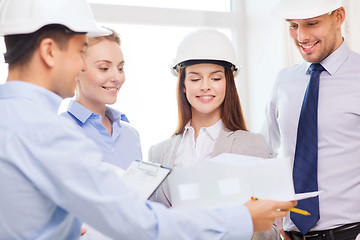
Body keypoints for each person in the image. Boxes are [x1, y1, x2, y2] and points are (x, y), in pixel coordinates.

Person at [0, 0, 297, 239]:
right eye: (80, 52)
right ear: (49, 51)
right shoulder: (48, 131)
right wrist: (242, 217)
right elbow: (139, 222)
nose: (82, 64)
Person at [148, 29, 281, 240]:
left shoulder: (252, 146)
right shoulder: (158, 153)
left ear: (228, 83)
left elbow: (272, 233)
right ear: (183, 85)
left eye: (216, 78)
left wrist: (238, 218)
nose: (205, 87)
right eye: (195, 79)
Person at [264, 0, 360, 239]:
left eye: (312, 23)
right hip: (292, 233)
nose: (301, 36)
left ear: (339, 17)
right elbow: (266, 150)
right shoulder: (284, 81)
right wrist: (276, 218)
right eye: (293, 25)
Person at [61, 28, 142, 170]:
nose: (117, 78)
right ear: (75, 69)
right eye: (104, 68)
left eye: (120, 68)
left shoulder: (131, 135)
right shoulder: (59, 130)